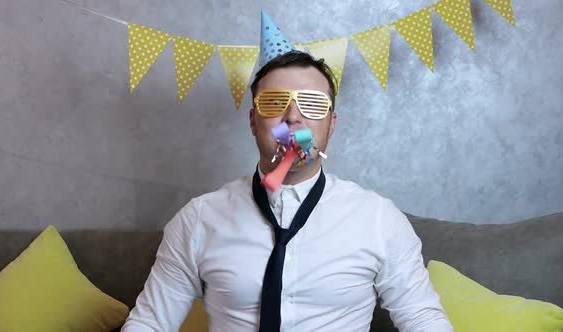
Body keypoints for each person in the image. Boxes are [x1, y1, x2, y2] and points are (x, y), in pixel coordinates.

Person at [122, 12, 453, 332]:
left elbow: (424, 322)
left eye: (311, 104)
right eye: (275, 102)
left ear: (330, 126)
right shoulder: (197, 220)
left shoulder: (379, 219)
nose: (293, 117)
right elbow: (149, 323)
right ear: (254, 121)